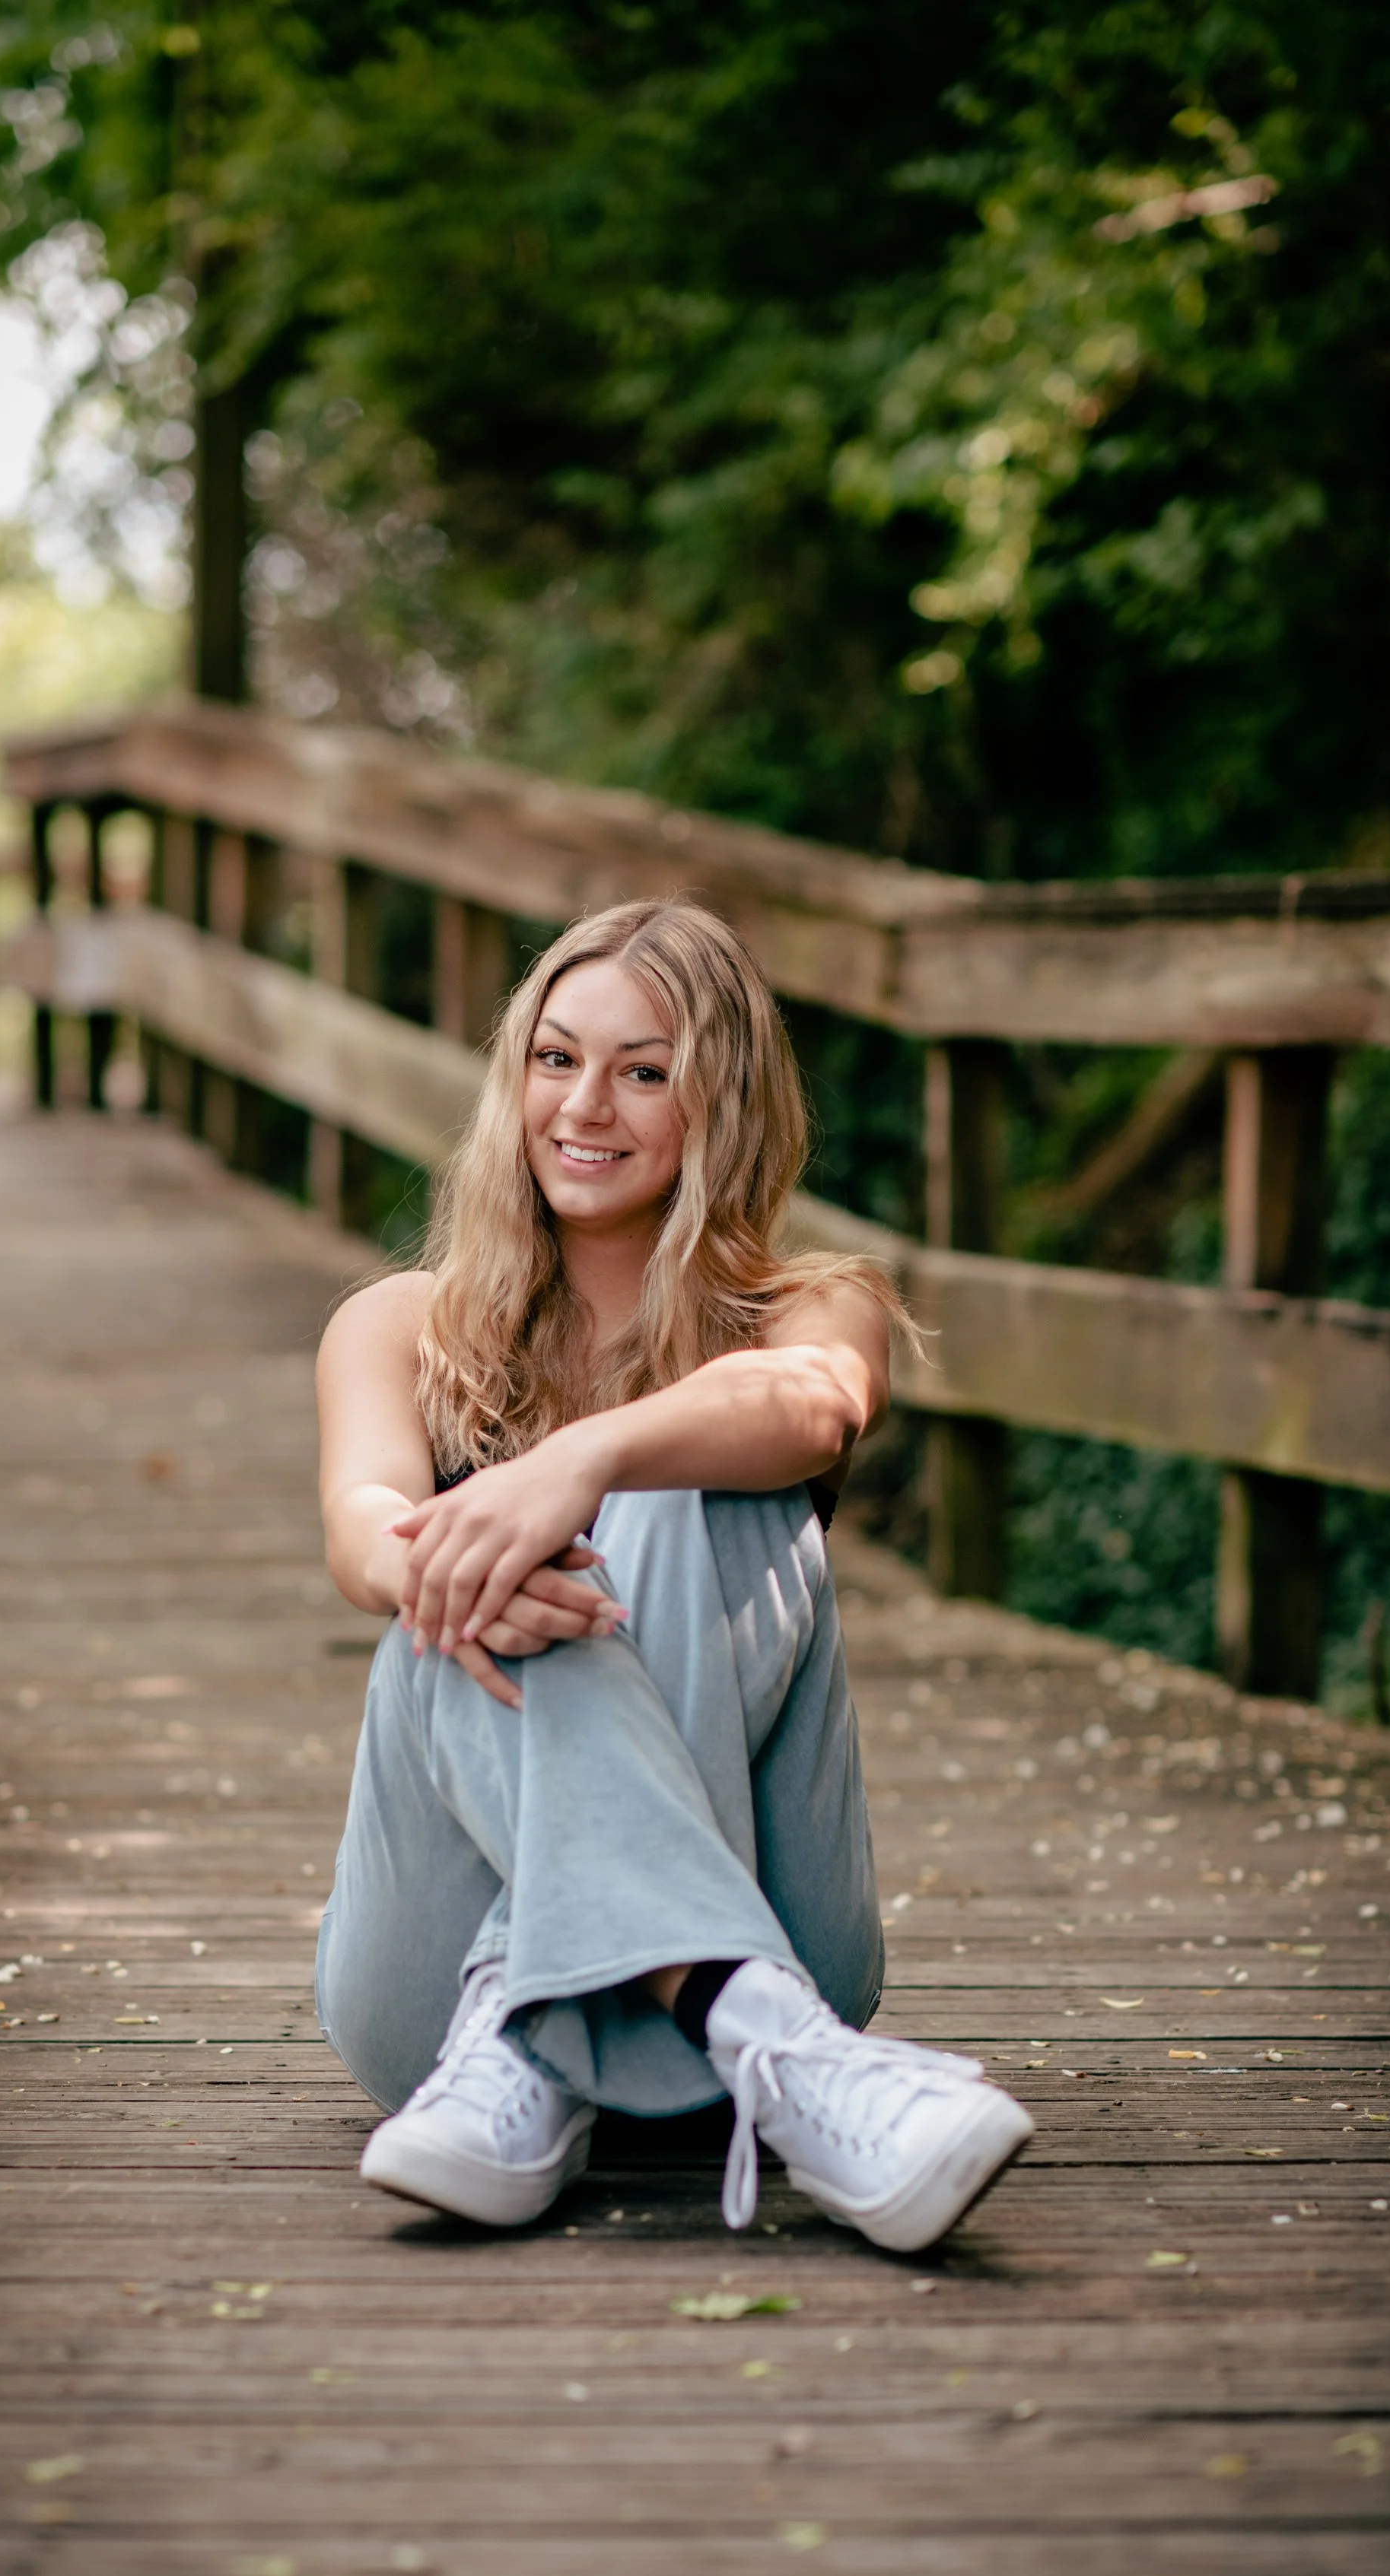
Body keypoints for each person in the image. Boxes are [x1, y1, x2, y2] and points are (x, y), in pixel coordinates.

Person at [313, 899, 1031, 2252]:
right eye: (554, 1057)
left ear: (720, 1103)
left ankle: (544, 2027)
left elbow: (813, 1407)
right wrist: (471, 1540)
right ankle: (771, 2043)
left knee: (692, 1483)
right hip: (418, 2009)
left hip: (789, 1903)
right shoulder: (398, 1324)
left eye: (646, 1070)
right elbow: (364, 1527)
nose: (588, 1104)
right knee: (452, 1570)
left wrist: (581, 1457)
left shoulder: (817, 1306)